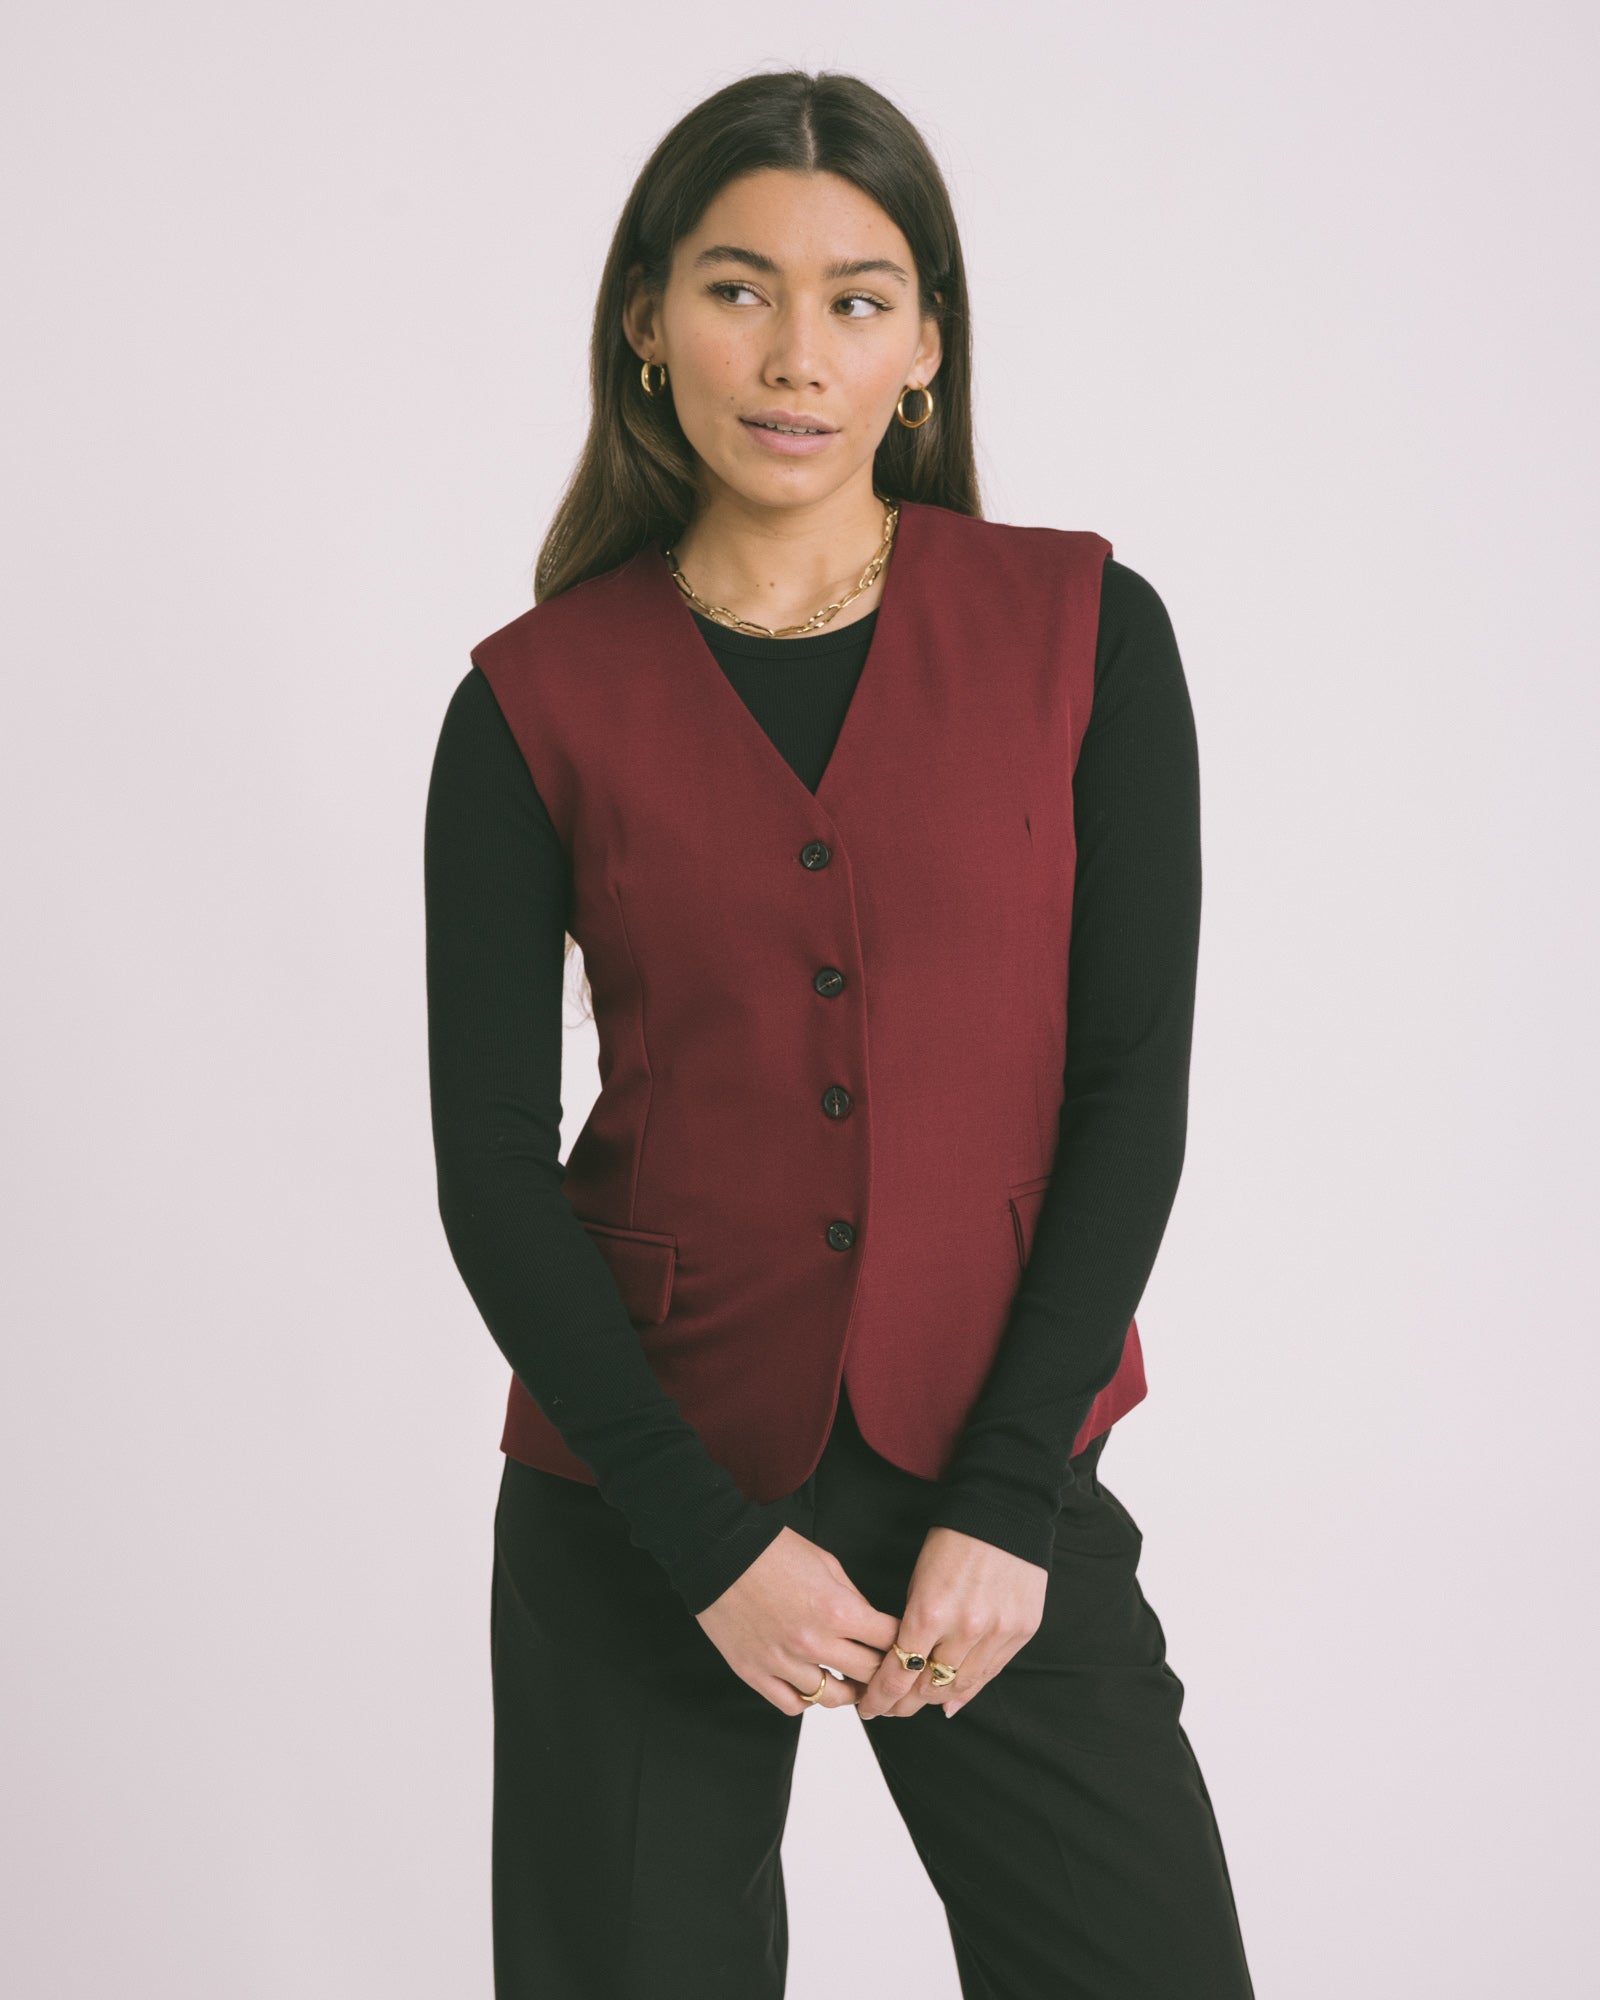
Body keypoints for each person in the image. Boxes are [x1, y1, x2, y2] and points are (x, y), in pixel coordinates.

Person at [425, 66, 1255, 2000]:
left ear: (926, 345)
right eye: (738, 289)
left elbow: (1129, 1094)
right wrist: (704, 1544)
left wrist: (1009, 1500)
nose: (797, 354)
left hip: (993, 1463)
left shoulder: (1087, 636)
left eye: (857, 299)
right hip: (640, 1484)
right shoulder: (527, 704)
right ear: (648, 321)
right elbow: (492, 1167)